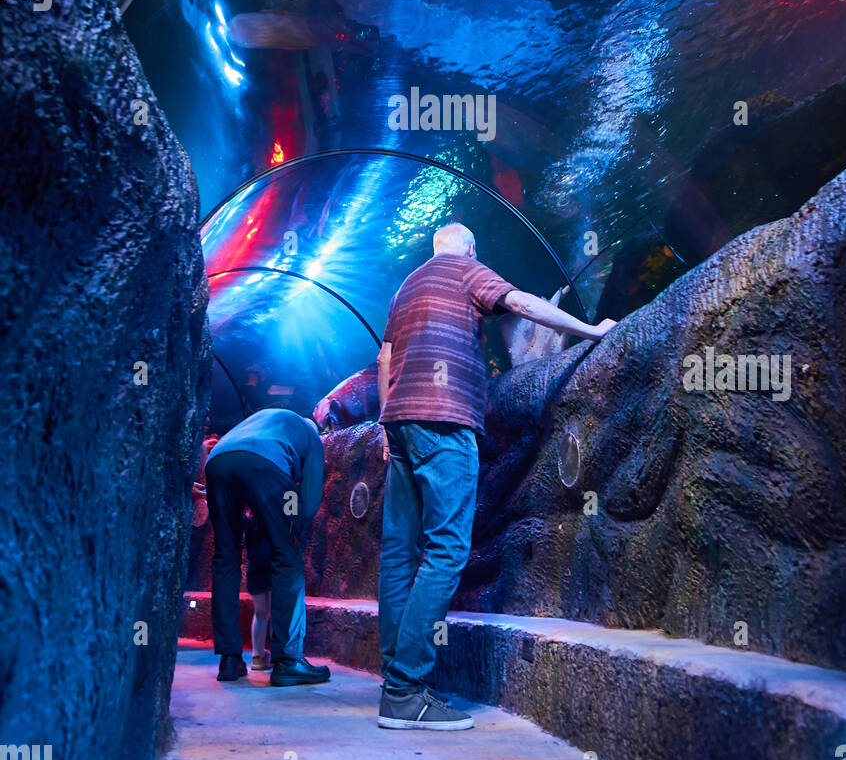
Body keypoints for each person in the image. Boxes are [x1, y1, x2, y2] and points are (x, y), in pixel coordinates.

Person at [376, 222, 616, 730]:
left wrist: (384, 421)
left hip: (399, 423)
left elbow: (386, 357)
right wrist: (593, 331)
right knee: (445, 549)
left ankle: (392, 681)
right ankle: (404, 691)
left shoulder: (407, 285)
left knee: (399, 552)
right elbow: (523, 304)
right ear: (472, 248)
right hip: (443, 419)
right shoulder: (465, 269)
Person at [205, 407, 328, 687]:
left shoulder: (266, 420)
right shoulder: (311, 435)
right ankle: (288, 661)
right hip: (264, 463)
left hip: (217, 462)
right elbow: (308, 504)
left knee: (226, 558)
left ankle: (229, 659)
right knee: (287, 558)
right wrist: (290, 525)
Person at [244, 510, 272, 670]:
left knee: (260, 613)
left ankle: (258, 656)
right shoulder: (273, 514)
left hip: (254, 567)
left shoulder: (249, 518)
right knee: (275, 612)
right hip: (273, 565)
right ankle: (277, 656)